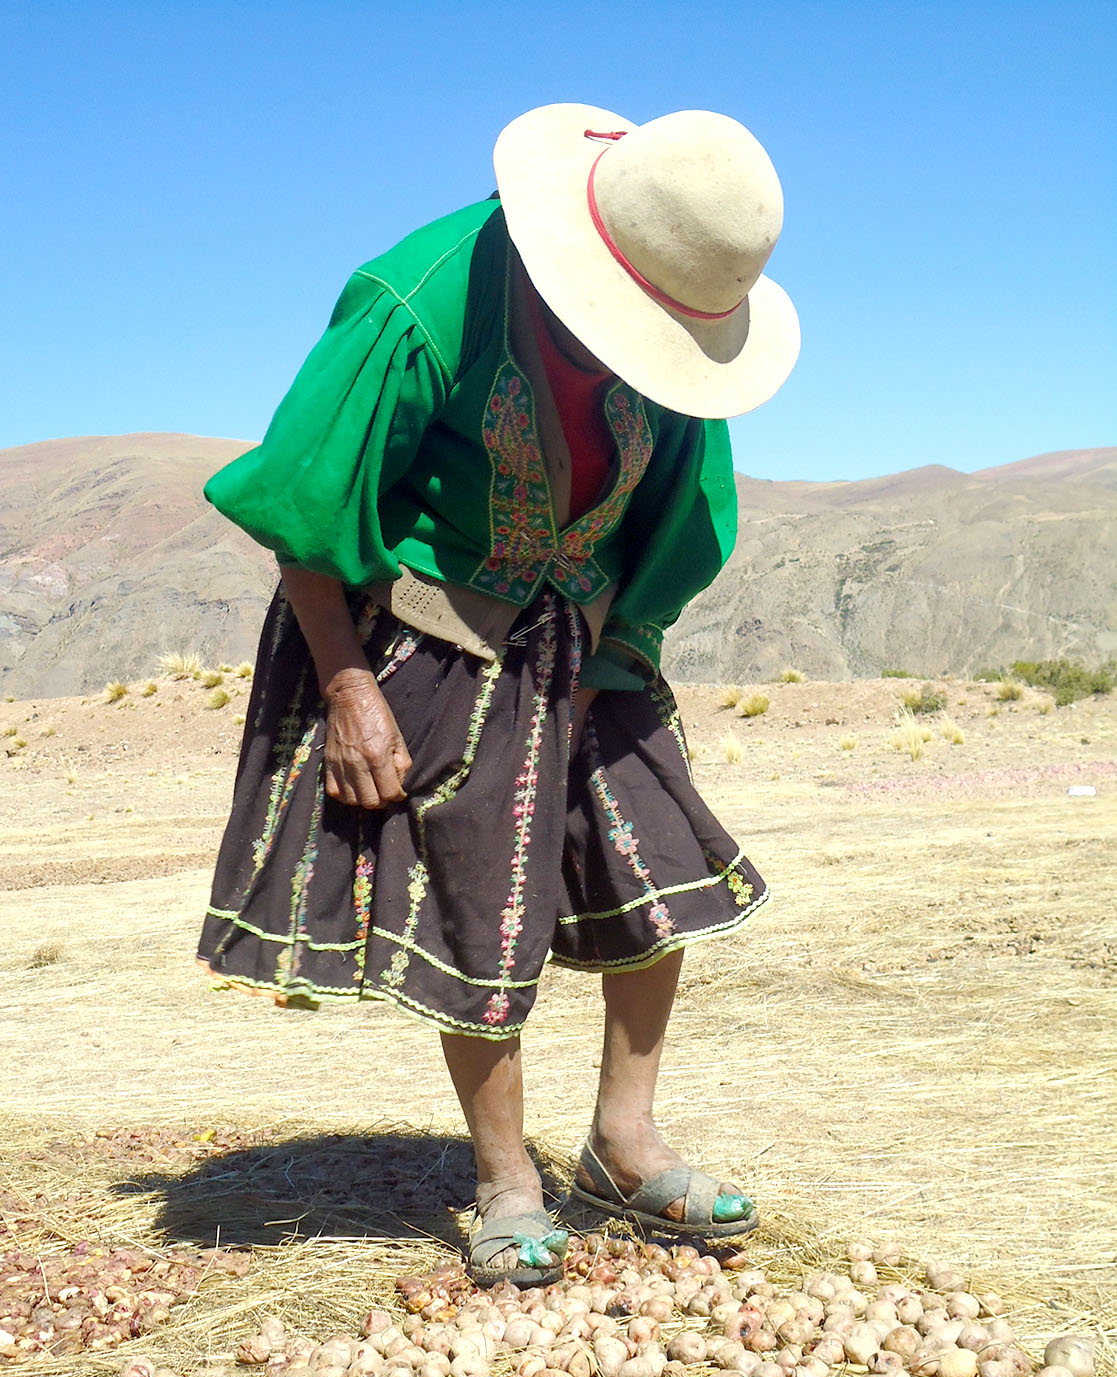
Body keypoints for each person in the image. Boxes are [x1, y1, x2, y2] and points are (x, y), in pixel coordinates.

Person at [197, 103, 799, 1287]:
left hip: (584, 626)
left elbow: (678, 507)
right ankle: (506, 1183)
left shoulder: (674, 328)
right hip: (419, 630)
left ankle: (621, 1144)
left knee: (658, 867)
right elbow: (306, 507)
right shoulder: (419, 300)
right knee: (483, 893)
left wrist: (616, 650)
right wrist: (348, 687)